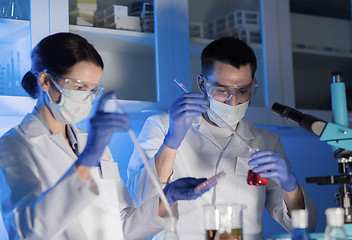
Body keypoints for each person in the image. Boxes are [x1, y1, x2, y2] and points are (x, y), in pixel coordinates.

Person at [0, 32, 213, 240]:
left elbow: (123, 226)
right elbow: (30, 230)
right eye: (79, 87)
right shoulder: (13, 146)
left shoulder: (89, 141)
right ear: (45, 80)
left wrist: (169, 197)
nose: (86, 97)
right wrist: (91, 154)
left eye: (92, 89)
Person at [127, 37, 318, 239]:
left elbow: (304, 227)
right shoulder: (162, 126)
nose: (233, 101)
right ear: (202, 84)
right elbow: (138, 200)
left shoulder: (267, 142)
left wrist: (290, 186)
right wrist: (172, 140)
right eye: (221, 90)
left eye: (243, 91)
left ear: (253, 86)